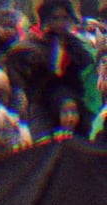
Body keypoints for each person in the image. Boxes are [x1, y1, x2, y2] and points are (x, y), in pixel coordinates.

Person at [6, 0, 94, 141]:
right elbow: (18, 72)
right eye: (55, 18)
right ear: (46, 19)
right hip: (43, 104)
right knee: (42, 145)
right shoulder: (32, 47)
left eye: (65, 18)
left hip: (74, 106)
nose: (60, 23)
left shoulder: (77, 47)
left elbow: (87, 71)